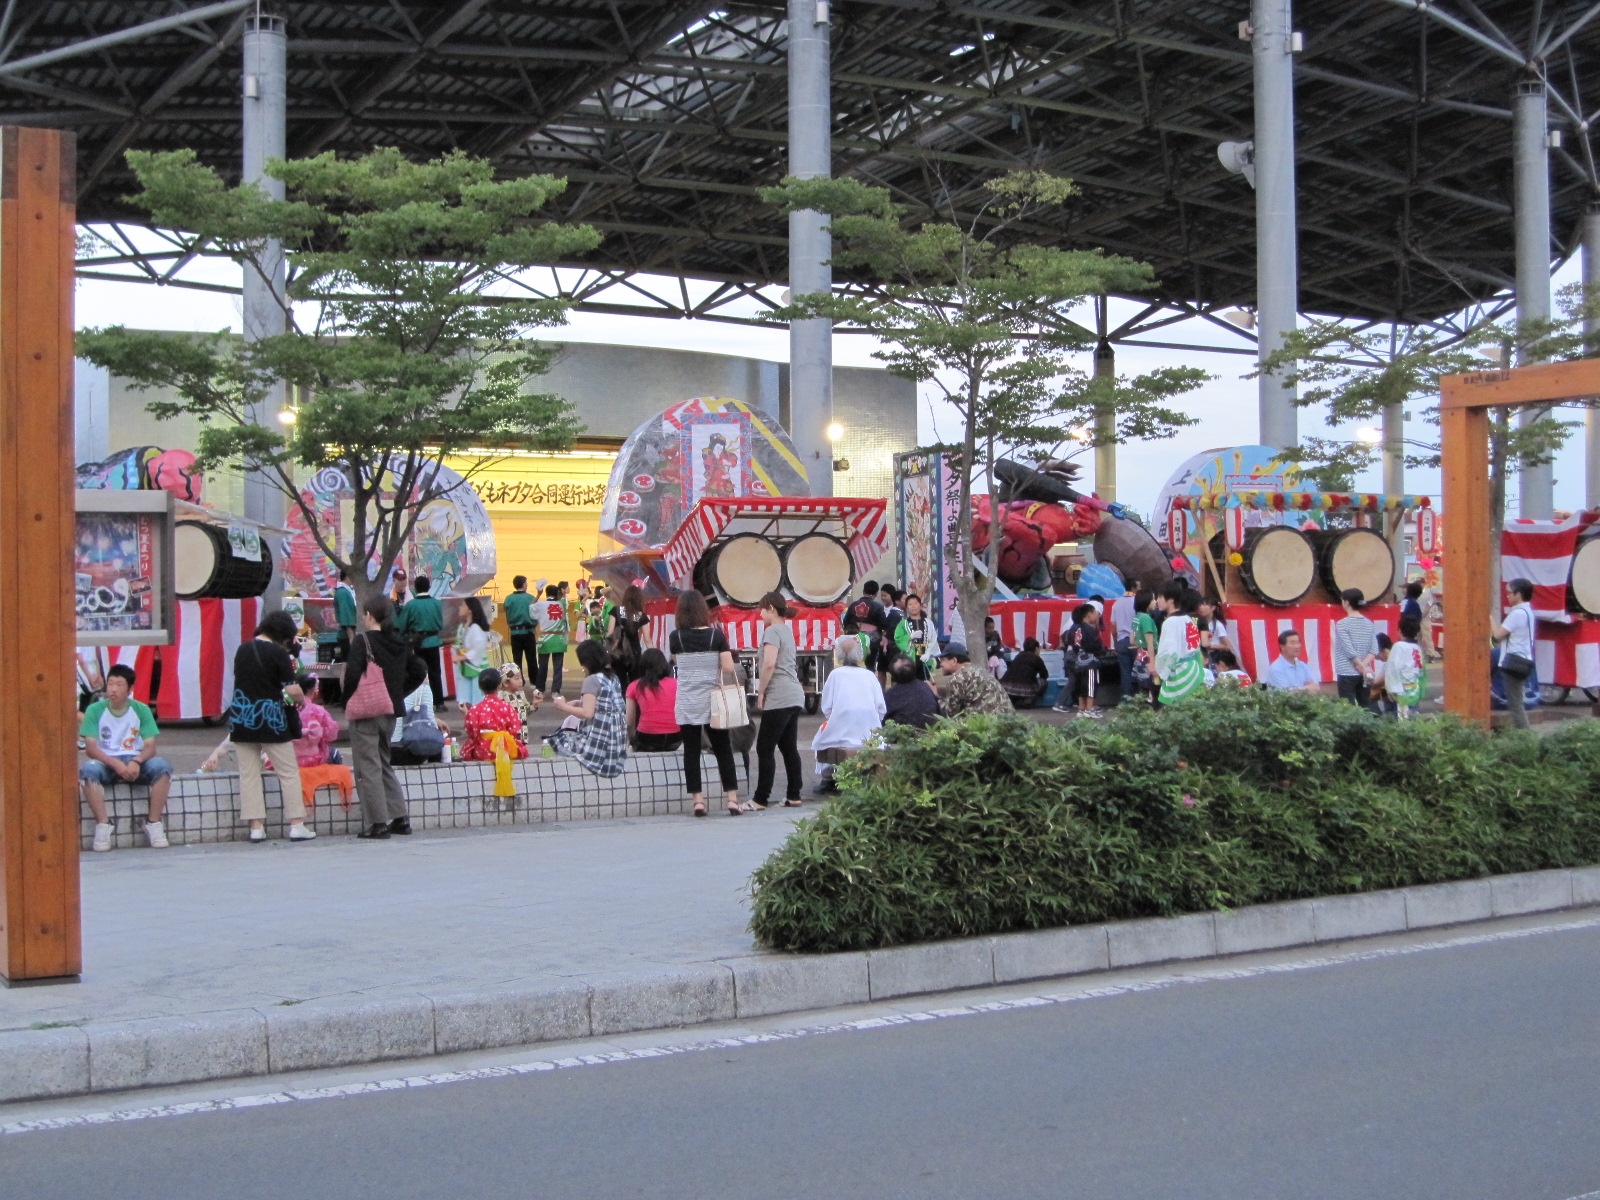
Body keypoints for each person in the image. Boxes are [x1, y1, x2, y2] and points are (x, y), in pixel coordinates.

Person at [345, 595, 429, 839]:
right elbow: (419, 669)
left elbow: (352, 674)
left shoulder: (362, 641)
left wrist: (349, 699)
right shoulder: (397, 642)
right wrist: (399, 693)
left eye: (363, 613)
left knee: (367, 766)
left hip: (366, 712)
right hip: (391, 712)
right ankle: (400, 818)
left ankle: (378, 823)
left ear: (369, 615)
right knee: (383, 762)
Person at [229, 610, 315, 842]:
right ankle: (297, 824)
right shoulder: (278, 653)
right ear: (283, 636)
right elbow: (292, 689)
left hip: (242, 718)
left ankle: (256, 827)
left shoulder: (242, 649)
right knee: (288, 772)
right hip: (272, 721)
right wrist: (300, 701)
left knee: (249, 774)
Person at [78, 663, 173, 851]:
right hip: (107, 760)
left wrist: (136, 761)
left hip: (134, 759)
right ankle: (103, 824)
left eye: (119, 684)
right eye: (110, 683)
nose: (113, 689)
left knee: (162, 767)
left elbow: (150, 746)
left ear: (130, 689)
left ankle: (153, 822)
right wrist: (115, 764)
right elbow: (91, 747)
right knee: (88, 770)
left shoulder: (141, 709)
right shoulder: (95, 710)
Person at [669, 588, 746, 816]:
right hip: (715, 702)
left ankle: (698, 801)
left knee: (691, 751)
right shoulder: (716, 636)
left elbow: (677, 663)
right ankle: (731, 799)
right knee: (723, 749)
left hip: (687, 701)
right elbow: (729, 667)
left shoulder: (676, 637)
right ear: (703, 611)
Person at [747, 592, 807, 809]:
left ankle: (760, 798)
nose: (760, 613)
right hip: (794, 694)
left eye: (762, 609)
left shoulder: (771, 631)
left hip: (779, 695)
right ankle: (794, 794)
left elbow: (769, 664)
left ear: (771, 608)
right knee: (788, 747)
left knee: (764, 747)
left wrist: (760, 691)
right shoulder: (787, 631)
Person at [811, 634, 887, 794]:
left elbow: (827, 708)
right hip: (870, 733)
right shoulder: (870, 675)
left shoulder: (835, 675)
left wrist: (838, 720)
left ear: (838, 655)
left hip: (840, 730)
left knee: (822, 736)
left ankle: (828, 779)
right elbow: (881, 708)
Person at [547, 640, 629, 778]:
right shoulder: (613, 677)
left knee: (556, 739)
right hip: (617, 743)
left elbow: (587, 713)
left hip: (599, 744)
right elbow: (605, 705)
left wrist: (564, 706)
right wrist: (579, 702)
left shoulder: (591, 680)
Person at [1492, 576, 1537, 730]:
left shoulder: (1517, 613)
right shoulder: (1528, 611)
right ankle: (1521, 735)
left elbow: (1497, 635)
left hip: (1513, 662)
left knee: (1515, 704)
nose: (1508, 595)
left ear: (1518, 594)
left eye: (1510, 593)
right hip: (1524, 660)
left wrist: (1489, 619)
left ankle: (1525, 737)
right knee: (1516, 701)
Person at [1153, 585, 1206, 706]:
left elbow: (1167, 651)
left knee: (1171, 710)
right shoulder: (1188, 619)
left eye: (1160, 596)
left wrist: (1160, 671)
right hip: (1194, 668)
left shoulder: (1170, 622)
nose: (1158, 600)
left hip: (1179, 673)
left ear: (1171, 600)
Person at [398, 574, 446, 706]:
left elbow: (402, 625)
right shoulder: (437, 603)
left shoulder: (411, 605)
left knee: (419, 673)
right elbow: (441, 624)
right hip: (434, 641)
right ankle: (439, 702)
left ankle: (421, 703)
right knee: (435, 672)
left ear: (415, 588)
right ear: (429, 587)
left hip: (417, 643)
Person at [462, 668, 529, 761]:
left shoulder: (475, 709)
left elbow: (471, 731)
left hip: (482, 750)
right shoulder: (507, 707)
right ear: (499, 685)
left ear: (479, 686)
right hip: (506, 748)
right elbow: (515, 729)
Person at [625, 647, 682, 752]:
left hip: (646, 738)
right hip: (675, 737)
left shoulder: (634, 686)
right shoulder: (677, 684)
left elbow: (629, 722)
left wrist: (632, 741)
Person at [938, 641, 1013, 717]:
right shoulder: (979, 670)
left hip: (989, 724)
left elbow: (950, 713)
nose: (941, 664)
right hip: (1008, 720)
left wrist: (935, 696)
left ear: (954, 661)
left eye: (943, 660)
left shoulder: (957, 678)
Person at [1056, 604, 1106, 716]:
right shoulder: (1089, 629)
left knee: (1079, 684)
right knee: (1091, 684)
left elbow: (1068, 640)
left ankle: (1081, 708)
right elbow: (1095, 645)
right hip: (1090, 660)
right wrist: (1102, 650)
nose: (1097, 616)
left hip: (1077, 659)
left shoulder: (1074, 627)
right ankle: (1089, 708)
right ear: (1089, 615)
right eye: (1094, 613)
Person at [1334, 588, 1379, 707]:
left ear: (1347, 602)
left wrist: (1361, 666)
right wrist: (1364, 667)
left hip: (1346, 671)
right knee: (1366, 705)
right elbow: (1374, 649)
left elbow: (1348, 650)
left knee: (1347, 707)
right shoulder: (1369, 623)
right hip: (1365, 673)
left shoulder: (1342, 624)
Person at [391, 678, 450, 766]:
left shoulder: (383, 683)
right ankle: (436, 770)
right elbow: (431, 722)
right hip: (411, 748)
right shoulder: (422, 686)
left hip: (384, 749)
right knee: (435, 739)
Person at [292, 674, 343, 768]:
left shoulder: (286, 709)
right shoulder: (318, 711)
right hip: (314, 759)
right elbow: (331, 735)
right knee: (334, 754)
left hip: (289, 758)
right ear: (312, 689)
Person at [452, 596, 496, 701]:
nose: (460, 607)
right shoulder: (463, 627)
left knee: (477, 699)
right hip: (464, 668)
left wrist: (461, 657)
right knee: (464, 700)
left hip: (476, 668)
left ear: (470, 609)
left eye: (463, 605)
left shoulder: (476, 628)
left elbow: (478, 650)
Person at [607, 584, 650, 689]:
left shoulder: (616, 610)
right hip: (634, 652)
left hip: (618, 651)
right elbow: (647, 640)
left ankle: (621, 703)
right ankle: (633, 704)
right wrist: (654, 654)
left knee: (619, 683)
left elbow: (610, 633)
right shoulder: (641, 615)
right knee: (635, 683)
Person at [882, 654, 941, 729]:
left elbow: (881, 718)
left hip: (905, 737)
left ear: (892, 675)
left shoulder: (889, 696)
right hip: (932, 735)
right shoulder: (927, 687)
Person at [1387, 616, 1427, 719]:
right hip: (1415, 689)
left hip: (1402, 691)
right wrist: (1421, 691)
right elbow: (1422, 671)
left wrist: (1391, 689)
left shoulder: (1398, 646)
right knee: (1414, 717)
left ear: (1399, 631)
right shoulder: (1418, 648)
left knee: (1403, 718)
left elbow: (1392, 669)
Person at [534, 583, 569, 696]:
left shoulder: (540, 604)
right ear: (558, 592)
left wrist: (538, 595)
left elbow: (531, 611)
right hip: (559, 639)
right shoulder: (562, 603)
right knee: (558, 667)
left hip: (545, 638)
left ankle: (540, 688)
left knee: (543, 665)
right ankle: (555, 690)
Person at [846, 581, 888, 674]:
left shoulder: (853, 605)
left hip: (855, 637)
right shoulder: (878, 607)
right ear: (876, 593)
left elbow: (846, 622)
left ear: (863, 590)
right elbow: (884, 624)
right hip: (872, 639)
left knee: (854, 664)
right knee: (870, 665)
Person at [1001, 636, 1051, 708]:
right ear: (1036, 648)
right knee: (1044, 682)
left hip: (1006, 687)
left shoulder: (1019, 656)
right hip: (1025, 689)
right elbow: (1045, 675)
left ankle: (1014, 701)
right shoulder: (1037, 658)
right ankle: (1028, 700)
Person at [503, 575, 537, 680]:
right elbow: (535, 615)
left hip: (515, 633)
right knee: (531, 658)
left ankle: (517, 680)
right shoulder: (530, 598)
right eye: (526, 582)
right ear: (523, 584)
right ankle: (534, 681)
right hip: (528, 632)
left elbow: (507, 612)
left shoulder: (508, 599)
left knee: (517, 659)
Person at [1129, 589, 1159, 701]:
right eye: (1153, 599)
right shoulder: (1146, 618)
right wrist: (1153, 663)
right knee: (1154, 687)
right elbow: (1150, 643)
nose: (1155, 601)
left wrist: (1141, 643)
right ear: (1146, 601)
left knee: (1142, 691)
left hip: (1140, 656)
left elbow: (1132, 640)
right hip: (1150, 657)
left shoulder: (1137, 617)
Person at [899, 592, 937, 677]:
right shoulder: (903, 623)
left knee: (925, 680)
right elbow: (898, 638)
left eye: (916, 603)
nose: (913, 606)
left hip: (925, 655)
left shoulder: (928, 623)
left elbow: (933, 639)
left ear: (920, 605)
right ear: (906, 607)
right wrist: (910, 637)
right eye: (910, 604)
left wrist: (928, 652)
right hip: (909, 656)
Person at [333, 569, 358, 661]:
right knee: (349, 664)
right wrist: (352, 637)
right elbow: (346, 615)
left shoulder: (345, 591)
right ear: (347, 576)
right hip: (347, 635)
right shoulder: (343, 592)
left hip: (346, 634)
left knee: (346, 664)